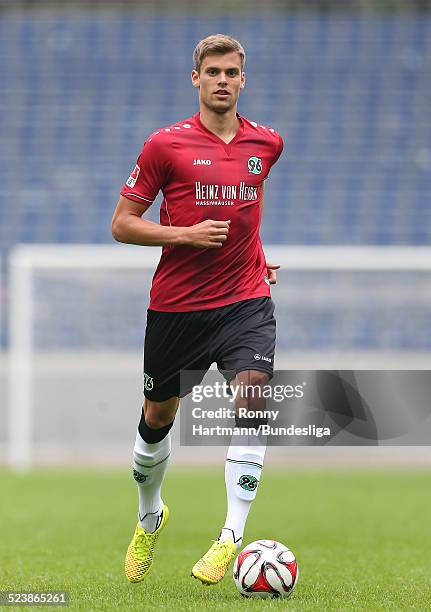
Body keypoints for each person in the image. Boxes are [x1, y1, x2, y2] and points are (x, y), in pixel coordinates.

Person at [111, 33, 284, 586]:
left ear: (243, 78)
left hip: (245, 301)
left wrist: (258, 257)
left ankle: (231, 534)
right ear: (196, 78)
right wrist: (184, 236)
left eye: (232, 72)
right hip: (177, 307)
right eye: (213, 72)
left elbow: (247, 213)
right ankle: (150, 513)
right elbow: (122, 223)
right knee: (158, 416)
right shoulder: (165, 146)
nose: (223, 80)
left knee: (255, 392)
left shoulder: (267, 143)